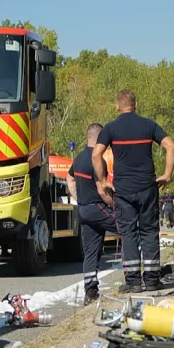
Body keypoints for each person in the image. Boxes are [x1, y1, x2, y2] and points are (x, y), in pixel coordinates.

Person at [92, 90, 174, 293]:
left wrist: (103, 181)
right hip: (147, 187)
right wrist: (167, 174)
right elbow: (170, 145)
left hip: (124, 190)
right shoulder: (148, 125)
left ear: (117, 107)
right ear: (135, 104)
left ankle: (133, 282)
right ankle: (152, 279)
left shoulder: (111, 128)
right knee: (149, 231)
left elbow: (96, 155)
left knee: (129, 234)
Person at [66, 123, 120, 304]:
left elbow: (70, 178)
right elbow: (102, 189)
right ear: (99, 138)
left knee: (91, 251)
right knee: (127, 228)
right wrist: (116, 206)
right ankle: (134, 276)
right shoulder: (97, 160)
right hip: (98, 208)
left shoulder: (79, 159)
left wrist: (79, 198)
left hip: (84, 209)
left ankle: (90, 291)